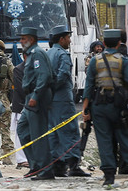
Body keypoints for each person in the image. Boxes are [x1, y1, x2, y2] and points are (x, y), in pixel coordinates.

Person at [82, 29, 128, 187]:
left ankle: (109, 177)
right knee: (126, 138)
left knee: (104, 140)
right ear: (119, 43)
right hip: (119, 106)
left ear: (104, 44)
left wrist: (85, 108)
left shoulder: (95, 61)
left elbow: (89, 86)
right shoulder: (123, 60)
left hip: (99, 107)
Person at [47, 25, 90, 177]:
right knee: (70, 131)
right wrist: (54, 87)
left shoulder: (48, 53)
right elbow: (64, 75)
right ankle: (73, 165)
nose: (70, 41)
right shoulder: (62, 54)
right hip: (63, 100)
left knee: (54, 132)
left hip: (51, 101)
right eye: (68, 38)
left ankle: (57, 166)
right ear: (61, 39)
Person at [17, 27, 55, 180]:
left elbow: (44, 76)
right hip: (30, 99)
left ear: (31, 40)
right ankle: (35, 165)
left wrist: (36, 96)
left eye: (23, 38)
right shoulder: (31, 54)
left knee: (38, 136)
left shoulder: (37, 53)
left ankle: (45, 169)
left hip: (36, 98)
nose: (20, 41)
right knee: (23, 131)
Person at [11, 52, 29, 169]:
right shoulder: (18, 69)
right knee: (20, 133)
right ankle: (21, 159)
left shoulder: (35, 68)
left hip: (31, 106)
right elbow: (21, 88)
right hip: (21, 106)